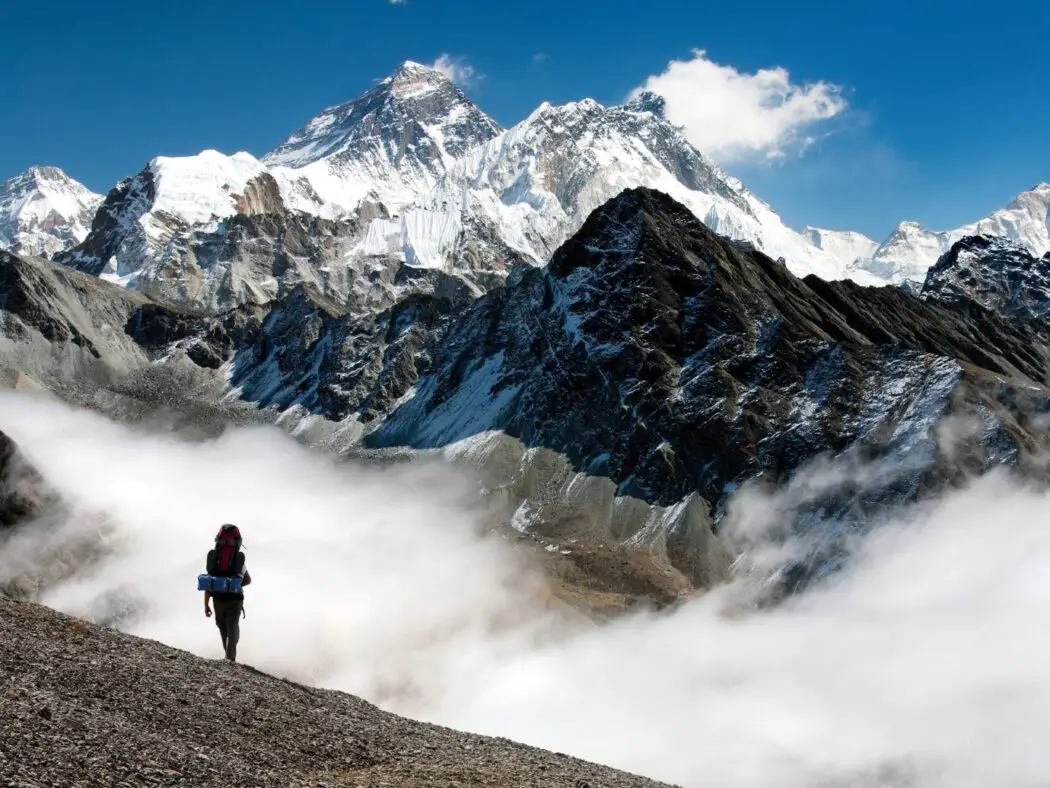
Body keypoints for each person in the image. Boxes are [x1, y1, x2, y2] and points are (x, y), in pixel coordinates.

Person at [203, 524, 252, 662]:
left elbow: (209, 583)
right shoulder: (238, 561)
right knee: (233, 628)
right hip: (235, 600)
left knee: (222, 628)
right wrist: (234, 585)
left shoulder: (214, 560)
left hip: (217, 600)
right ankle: (230, 658)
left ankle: (228, 657)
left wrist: (206, 605)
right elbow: (248, 580)